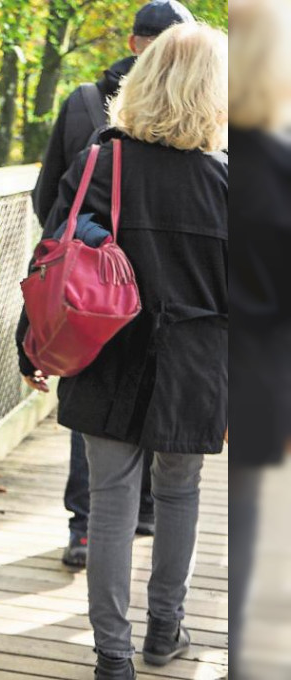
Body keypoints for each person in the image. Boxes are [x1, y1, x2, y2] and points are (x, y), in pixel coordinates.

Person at [16, 23, 228, 680]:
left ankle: (112, 655)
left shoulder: (101, 164)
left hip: (107, 352)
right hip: (197, 364)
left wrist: (30, 350)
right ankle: (165, 630)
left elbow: (49, 259)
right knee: (180, 492)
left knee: (110, 498)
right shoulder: (235, 184)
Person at [31, 0, 194, 570]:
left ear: (134, 41)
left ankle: (84, 528)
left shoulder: (83, 105)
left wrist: (73, 262)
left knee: (96, 400)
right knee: (163, 415)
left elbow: (46, 197)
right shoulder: (201, 120)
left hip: (92, 290)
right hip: (179, 297)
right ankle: (145, 512)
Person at [226, 0, 291, 675]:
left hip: (211, 357)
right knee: (250, 522)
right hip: (265, 368)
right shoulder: (276, 162)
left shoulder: (217, 162)